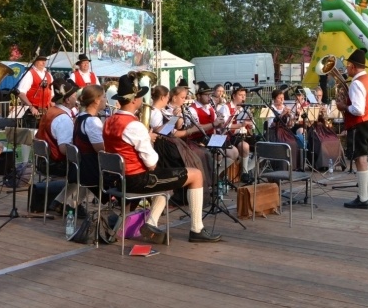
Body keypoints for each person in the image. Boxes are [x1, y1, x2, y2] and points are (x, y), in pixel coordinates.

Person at [102, 73, 221, 242]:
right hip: (137, 179)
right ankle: (197, 229)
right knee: (195, 175)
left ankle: (151, 223)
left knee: (168, 176)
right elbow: (151, 163)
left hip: (119, 178)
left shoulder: (109, 121)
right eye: (140, 96)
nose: (143, 100)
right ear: (134, 100)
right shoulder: (134, 125)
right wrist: (148, 139)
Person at [336, 48, 368, 209]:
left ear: (353, 67)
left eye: (348, 66)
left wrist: (343, 106)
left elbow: (358, 109)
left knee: (360, 159)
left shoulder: (356, 83)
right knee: (365, 159)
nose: (346, 69)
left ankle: (362, 199)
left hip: (359, 124)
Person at [34, 78, 79, 214]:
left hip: (44, 160)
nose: (76, 97)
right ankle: (70, 204)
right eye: (74, 95)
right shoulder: (63, 118)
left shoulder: (52, 111)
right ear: (67, 100)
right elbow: (64, 149)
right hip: (56, 163)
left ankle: (62, 201)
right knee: (90, 169)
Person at [72, 84, 106, 205]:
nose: (106, 100)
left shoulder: (79, 117)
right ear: (96, 100)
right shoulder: (92, 121)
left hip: (82, 168)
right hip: (92, 171)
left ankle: (73, 205)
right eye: (104, 97)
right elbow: (101, 150)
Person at [217, 86, 255, 183]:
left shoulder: (244, 108)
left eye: (244, 95)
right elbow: (225, 126)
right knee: (244, 146)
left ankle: (246, 171)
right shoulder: (226, 107)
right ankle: (244, 173)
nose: (243, 97)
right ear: (234, 96)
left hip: (242, 135)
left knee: (262, 145)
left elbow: (252, 126)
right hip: (228, 136)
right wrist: (241, 124)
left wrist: (250, 124)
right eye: (240, 95)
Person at [17, 55, 53, 128]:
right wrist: (31, 107)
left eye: (45, 60)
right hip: (32, 112)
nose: (43, 62)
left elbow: (51, 95)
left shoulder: (49, 75)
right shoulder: (29, 73)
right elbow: (21, 93)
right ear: (35, 61)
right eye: (41, 60)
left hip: (46, 112)